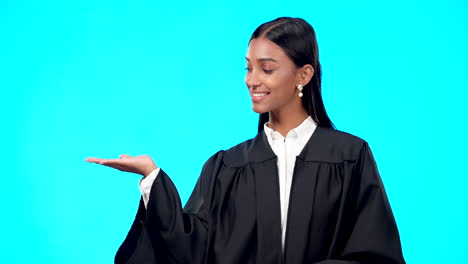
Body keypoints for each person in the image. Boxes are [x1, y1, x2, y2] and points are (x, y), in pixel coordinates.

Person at [86, 17, 406, 264]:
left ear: (303, 75)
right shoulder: (228, 165)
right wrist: (152, 179)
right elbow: (192, 249)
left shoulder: (349, 157)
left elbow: (375, 252)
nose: (251, 80)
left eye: (266, 69)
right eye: (248, 67)